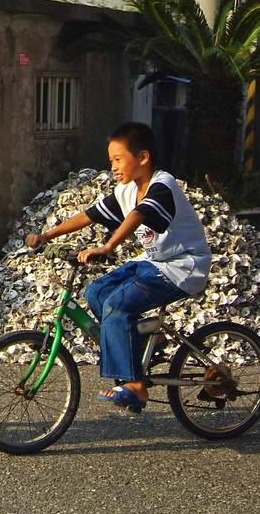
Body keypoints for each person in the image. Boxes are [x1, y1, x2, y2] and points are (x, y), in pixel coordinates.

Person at [25, 122, 211, 413]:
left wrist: (108, 247)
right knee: (97, 292)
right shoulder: (126, 191)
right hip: (153, 263)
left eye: (118, 159)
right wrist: (47, 236)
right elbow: (90, 215)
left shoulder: (163, 185)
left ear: (143, 157)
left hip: (183, 267)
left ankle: (135, 385)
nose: (113, 167)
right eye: (111, 161)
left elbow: (139, 215)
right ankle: (143, 342)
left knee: (117, 306)